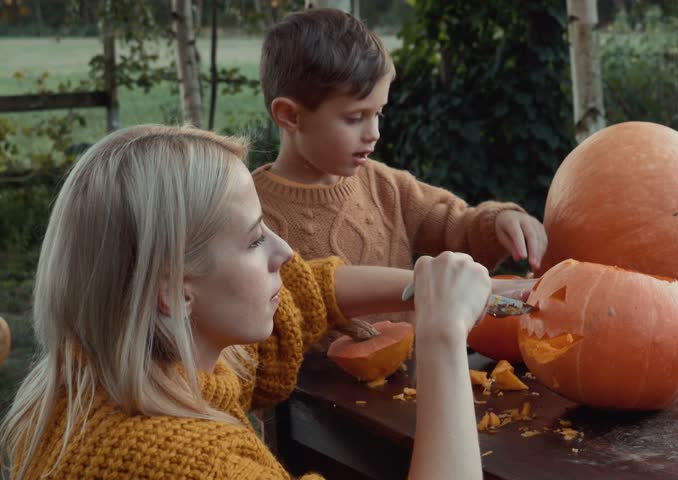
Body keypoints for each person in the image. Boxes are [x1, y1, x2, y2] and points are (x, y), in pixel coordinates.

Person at [0, 125, 506, 480]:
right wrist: (442, 338)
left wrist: (425, 281)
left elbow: (305, 295)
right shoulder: (191, 463)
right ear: (174, 290)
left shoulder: (92, 378)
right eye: (252, 240)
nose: (284, 252)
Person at [253, 8, 548, 293]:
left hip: (414, 347)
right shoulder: (249, 213)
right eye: (355, 118)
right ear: (291, 116)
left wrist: (498, 223)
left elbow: (457, 228)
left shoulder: (388, 188)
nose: (374, 133)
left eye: (378, 114)